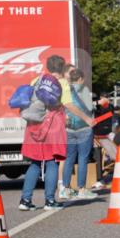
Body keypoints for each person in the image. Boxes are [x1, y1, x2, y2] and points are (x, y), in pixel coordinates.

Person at [19, 54, 68, 210]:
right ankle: (49, 201)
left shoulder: (36, 80)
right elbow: (66, 104)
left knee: (34, 163)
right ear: (62, 68)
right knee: (51, 162)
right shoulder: (61, 84)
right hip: (50, 128)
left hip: (33, 127)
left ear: (48, 67)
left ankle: (25, 201)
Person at [60, 68, 97, 200]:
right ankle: (82, 188)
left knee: (69, 158)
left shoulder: (67, 90)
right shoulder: (83, 90)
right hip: (84, 129)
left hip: (69, 129)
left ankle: (65, 188)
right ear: (81, 79)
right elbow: (88, 108)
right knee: (82, 158)